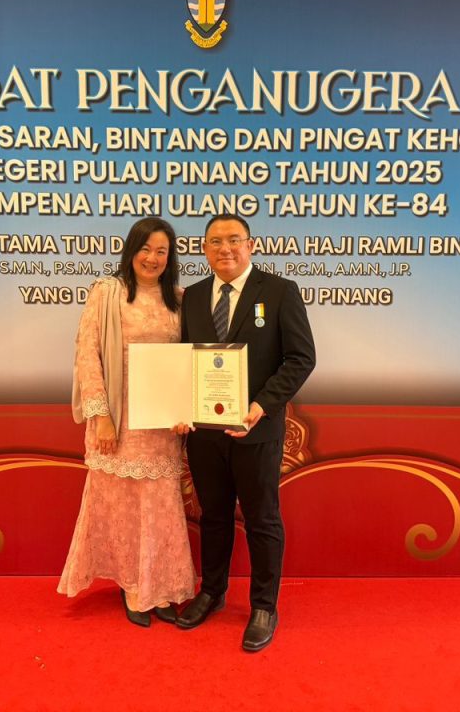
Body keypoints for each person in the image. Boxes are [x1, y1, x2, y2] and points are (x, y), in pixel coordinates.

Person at [175, 213, 316, 652]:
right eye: (215, 241)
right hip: (205, 433)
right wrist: (177, 406)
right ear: (204, 249)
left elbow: (301, 358)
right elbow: (182, 360)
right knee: (213, 516)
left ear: (250, 245)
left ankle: (263, 606)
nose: (225, 249)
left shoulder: (279, 291)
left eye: (234, 239)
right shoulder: (194, 297)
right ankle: (212, 592)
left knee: (262, 519)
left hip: (257, 430)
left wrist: (261, 405)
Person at [58, 217, 196, 627]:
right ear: (131, 250)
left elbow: (188, 362)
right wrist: (101, 417)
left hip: (162, 423)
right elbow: (88, 355)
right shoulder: (107, 293)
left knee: (159, 505)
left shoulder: (180, 299)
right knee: (123, 506)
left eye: (161, 251)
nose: (152, 258)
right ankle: (134, 586)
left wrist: (186, 408)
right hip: (119, 420)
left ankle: (160, 585)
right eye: (145, 248)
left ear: (170, 257)